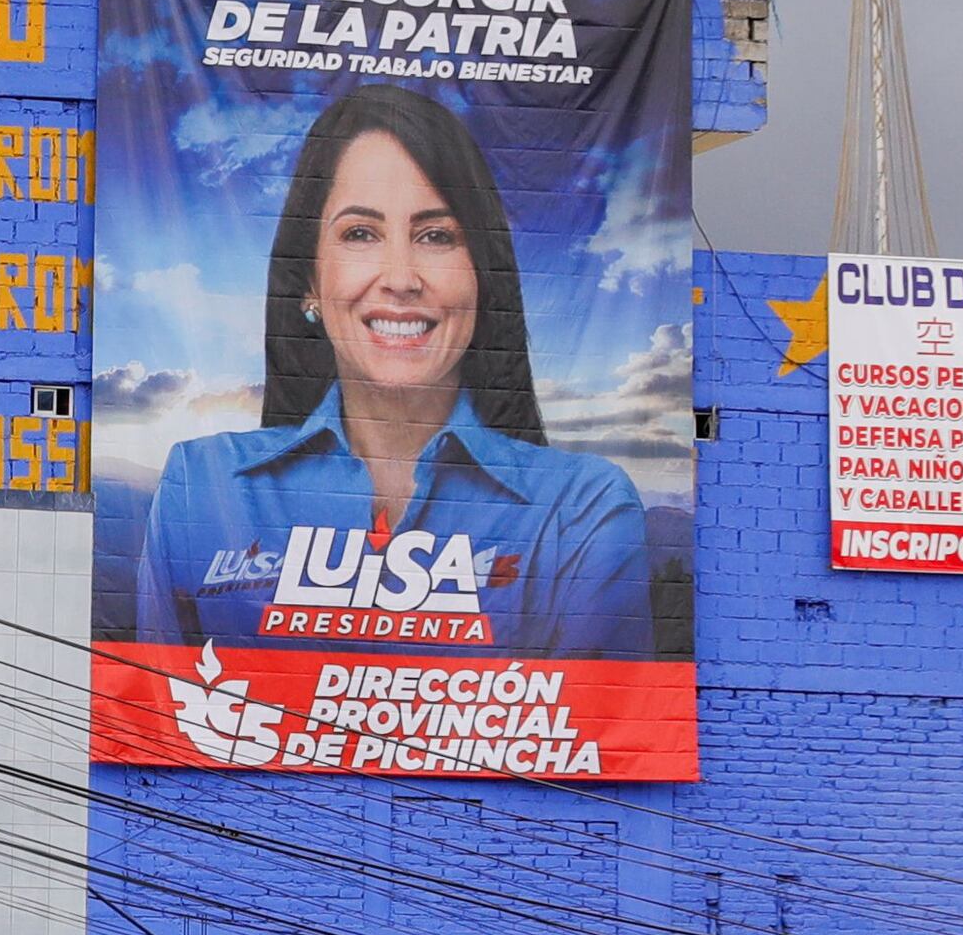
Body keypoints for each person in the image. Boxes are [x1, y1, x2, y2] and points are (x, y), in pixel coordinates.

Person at [131, 80, 657, 664]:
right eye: (361, 234)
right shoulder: (199, 488)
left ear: (481, 274)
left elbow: (594, 737)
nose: (401, 278)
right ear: (308, 282)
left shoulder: (580, 510)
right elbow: (160, 730)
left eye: (436, 236)